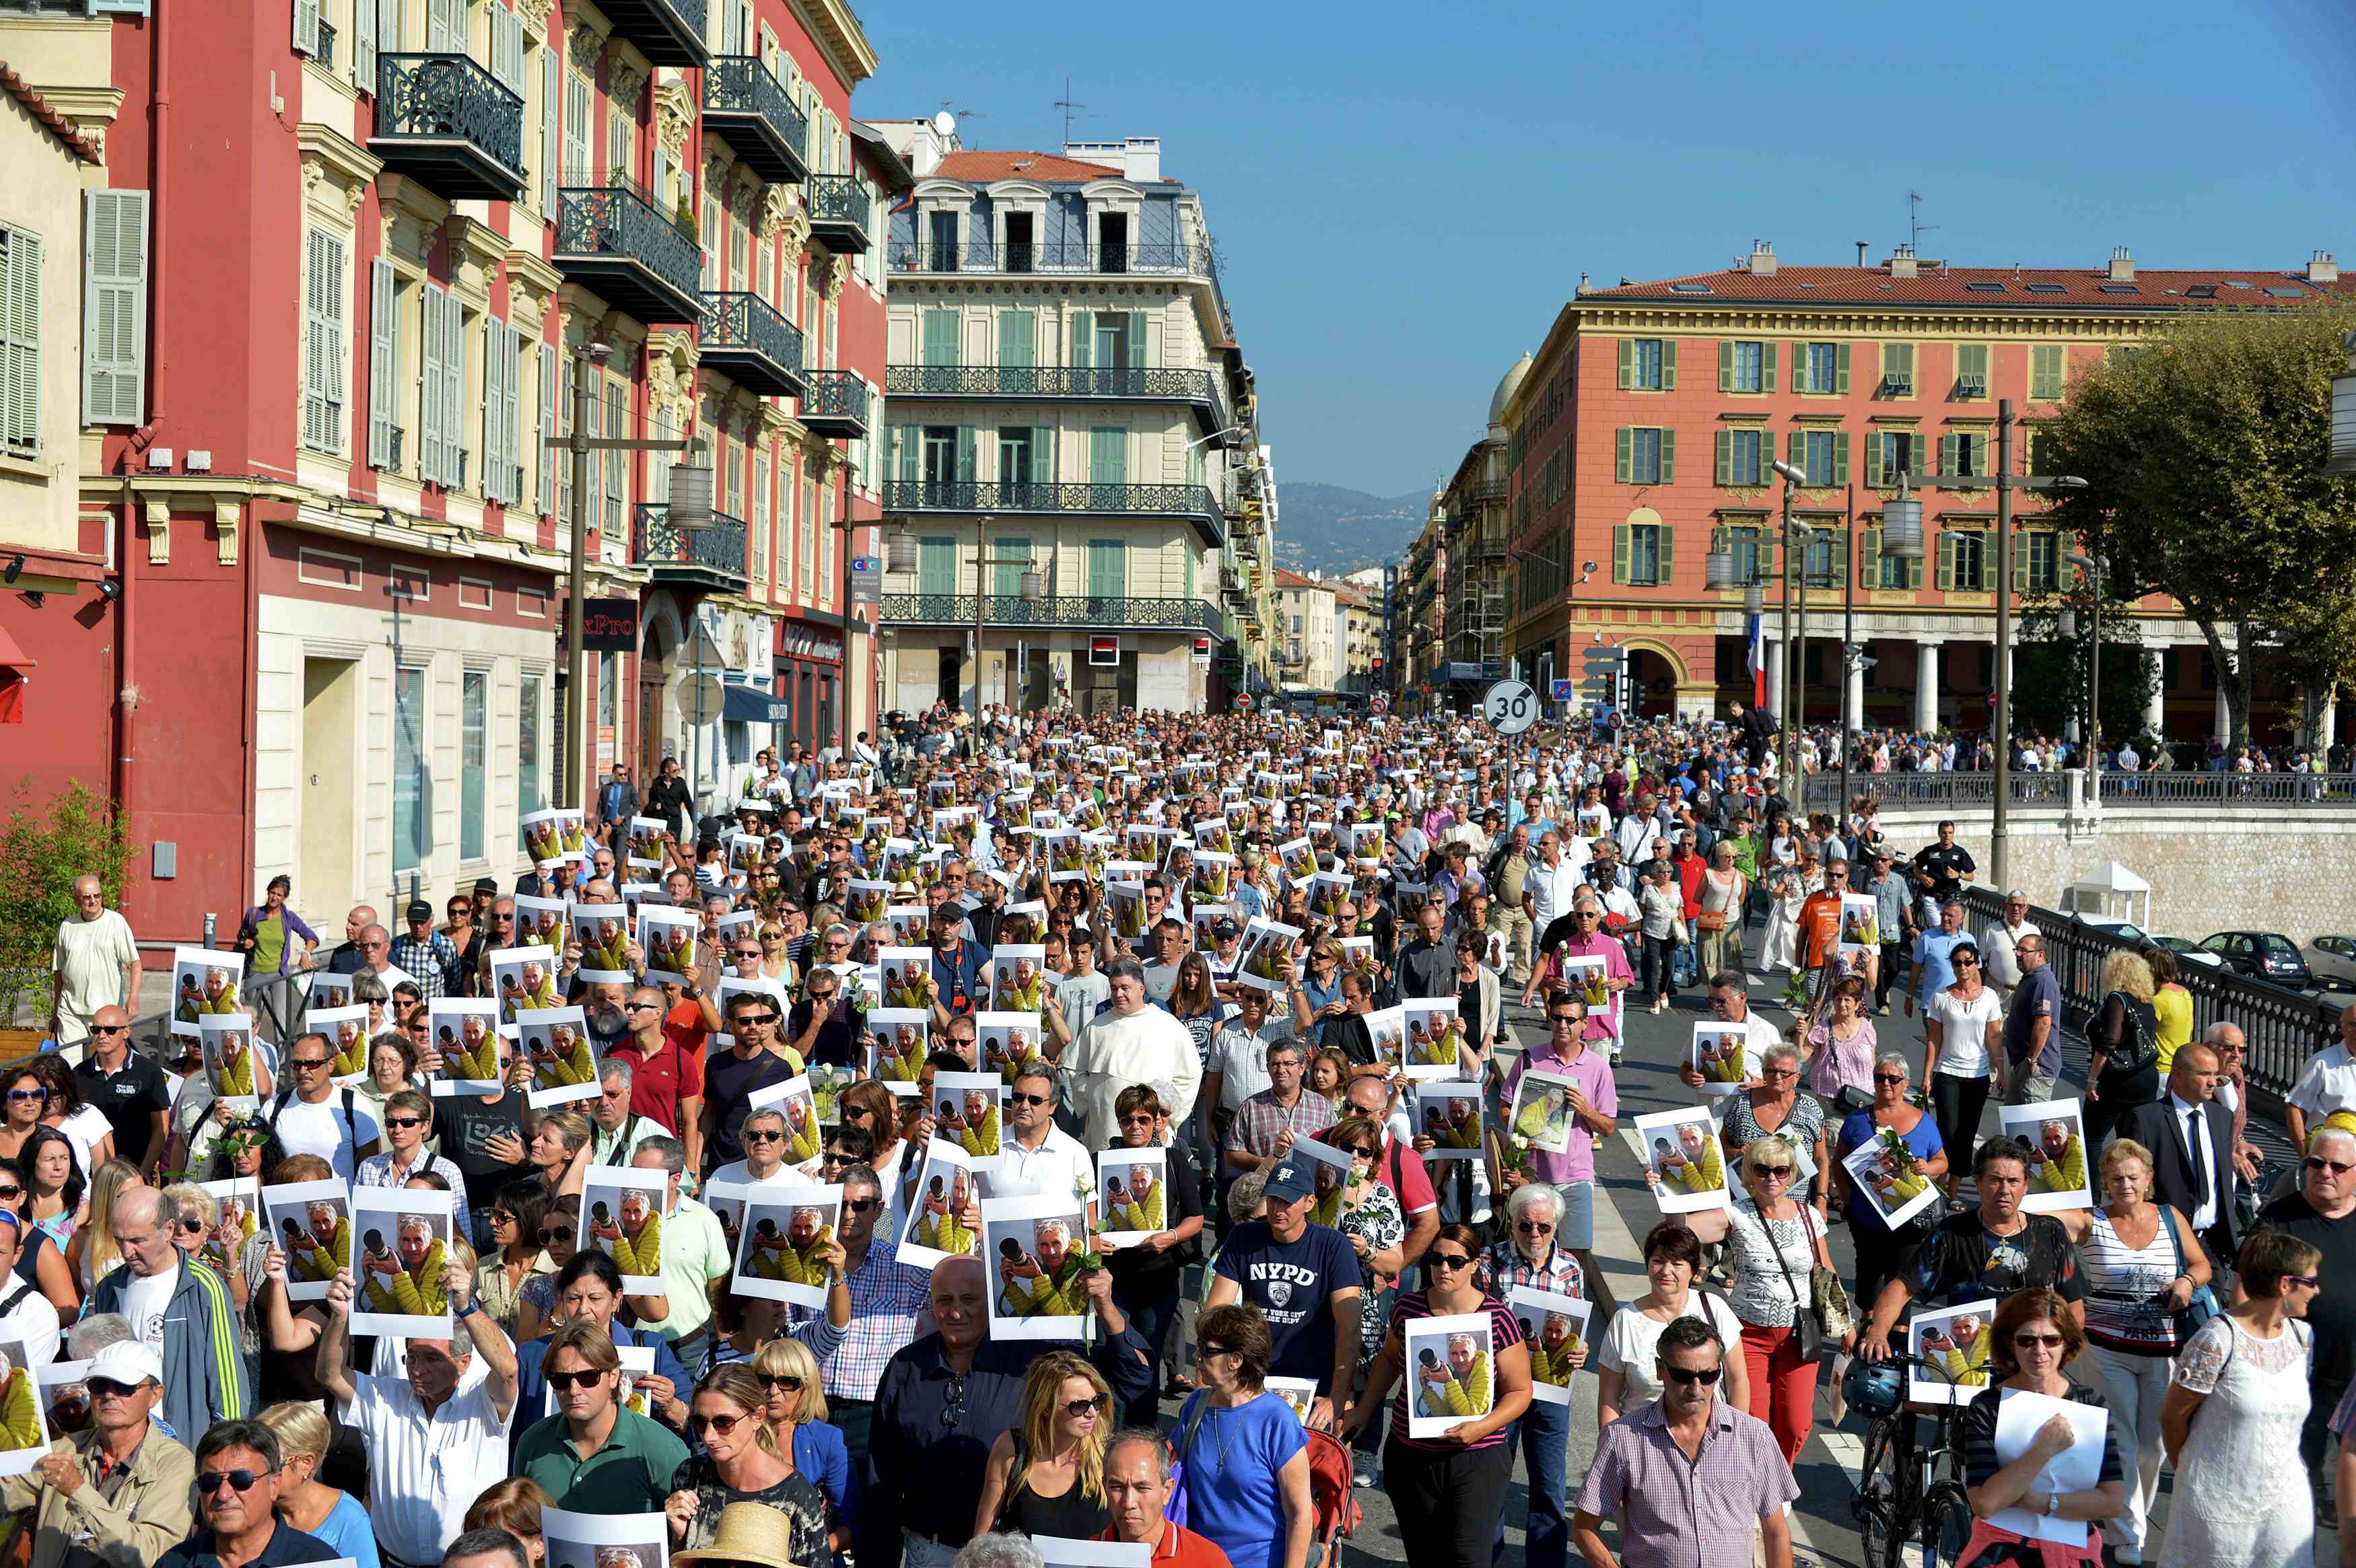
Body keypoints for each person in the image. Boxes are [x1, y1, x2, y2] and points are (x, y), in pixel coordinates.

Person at [865, 1253, 1151, 1568]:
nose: (956, 1311)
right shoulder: (905, 1368)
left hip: (1009, 1559)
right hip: (926, 1552)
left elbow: (1133, 1378)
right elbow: (882, 1476)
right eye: (944, 1300)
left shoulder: (1031, 1357)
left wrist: (1107, 1309)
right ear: (930, 1303)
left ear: (991, 1300)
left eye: (970, 1299)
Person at [2047, 1137, 2209, 1565]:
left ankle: (2130, 1521)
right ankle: (2127, 1536)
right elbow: (2038, 1218)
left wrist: (2188, 1283)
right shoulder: (2091, 1222)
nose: (2125, 1184)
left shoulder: (2170, 1218)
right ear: (2104, 1182)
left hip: (2164, 1351)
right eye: (2116, 1177)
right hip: (2107, 1350)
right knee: (2122, 1441)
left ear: (2149, 1180)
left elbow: (2202, 1265)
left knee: (2153, 1448)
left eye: (2133, 1177)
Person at [315, 1242, 518, 1568]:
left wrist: (466, 1307)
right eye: (412, 1356)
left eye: (433, 1359)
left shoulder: (482, 1404)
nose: (417, 1369)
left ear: (464, 1363)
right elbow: (329, 1374)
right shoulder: (385, 1398)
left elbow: (507, 1371)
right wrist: (339, 1317)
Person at [1340, 1223, 1531, 1568]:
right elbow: (1389, 1361)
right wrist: (1364, 1410)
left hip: (1477, 1458)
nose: (1445, 1268)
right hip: (1411, 1455)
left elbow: (1520, 1391)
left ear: (1475, 1265)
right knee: (1424, 1558)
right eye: (1437, 1258)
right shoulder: (1407, 1307)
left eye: (1456, 1262)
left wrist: (1481, 1427)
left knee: (1468, 1560)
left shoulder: (1498, 1318)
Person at [1572, 1315, 1799, 1568]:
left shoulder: (1754, 1436)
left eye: (1708, 1376)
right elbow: (1584, 1527)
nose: (1696, 1388)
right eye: (1682, 1375)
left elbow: (1776, 1531)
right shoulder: (1623, 1438)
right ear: (1660, 1370)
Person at [2157, 1227, 2323, 1568]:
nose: (2317, 1290)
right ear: (2285, 1285)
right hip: (2219, 1507)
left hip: (2285, 1505)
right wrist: (2195, 1477)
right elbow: (2173, 1417)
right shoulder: (2217, 1340)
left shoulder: (2301, 1337)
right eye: (2310, 1282)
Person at [1858, 1137, 2086, 1361]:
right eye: (1995, 1180)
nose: (2005, 1190)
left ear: (2026, 1186)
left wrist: (2056, 1357)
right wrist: (1878, 1332)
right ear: (1978, 1183)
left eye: (2014, 1181)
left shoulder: (2050, 1232)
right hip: (1970, 1365)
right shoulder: (1951, 1233)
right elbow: (1902, 1287)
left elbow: (2074, 1308)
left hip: (2031, 1363)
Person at [1958, 1287, 2128, 1566]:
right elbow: (1985, 1503)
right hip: (2003, 1550)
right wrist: (2045, 1448)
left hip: (2072, 1552)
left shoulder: (2091, 1404)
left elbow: (2112, 1501)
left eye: (2051, 1340)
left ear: (2066, 1343)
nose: (2039, 1351)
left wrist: (2037, 1502)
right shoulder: (1987, 1405)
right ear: (2010, 1344)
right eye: (2027, 1340)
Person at [0, 1339, 191, 1568]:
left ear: (155, 1395)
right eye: (99, 1385)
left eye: (125, 1387)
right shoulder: (66, 1447)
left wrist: (78, 1491)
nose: (109, 1395)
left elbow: (150, 1555)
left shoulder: (175, 1463)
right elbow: (8, 1490)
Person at [86, 1186, 248, 1444]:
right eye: (119, 1240)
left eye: (138, 1241)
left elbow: (226, 1377)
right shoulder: (110, 1287)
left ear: (169, 1230)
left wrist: (225, 1446)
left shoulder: (203, 1286)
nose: (127, 1252)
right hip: (124, 1444)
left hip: (183, 1445)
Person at [1717, 1137, 1844, 1466]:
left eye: (1780, 1170)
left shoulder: (1809, 1216)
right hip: (1748, 1335)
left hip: (1800, 1334)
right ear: (1750, 1173)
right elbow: (1686, 1232)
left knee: (1796, 1423)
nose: (1771, 1177)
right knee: (1752, 1422)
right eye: (1762, 1169)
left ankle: (1778, 1479)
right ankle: (1756, 1489)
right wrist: (1668, 1195)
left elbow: (1826, 1270)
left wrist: (1847, 1326)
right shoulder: (1734, 1213)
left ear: (1791, 1175)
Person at [2254, 1122, 2356, 1513]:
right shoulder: (2279, 1219)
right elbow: (2249, 1289)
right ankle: (2301, 1504)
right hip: (2297, 1361)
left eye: (2337, 1167)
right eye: (2316, 1163)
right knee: (2301, 1443)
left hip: (2352, 1361)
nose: (2325, 1172)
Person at [1168, 1305, 1317, 1568]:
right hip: (1199, 1557)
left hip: (1261, 1561)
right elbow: (1167, 1469)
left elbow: (1300, 1514)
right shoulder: (1196, 1406)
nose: (1197, 1355)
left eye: (1207, 1349)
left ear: (1235, 1360)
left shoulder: (1277, 1420)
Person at [1498, 993, 1618, 1314]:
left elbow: (1607, 1127)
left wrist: (1586, 1110)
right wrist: (1523, 1129)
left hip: (1576, 1176)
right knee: (1528, 1247)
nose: (1562, 1025)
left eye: (1570, 1019)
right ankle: (1527, 1314)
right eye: (1557, 1018)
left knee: (1576, 1253)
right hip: (1533, 1174)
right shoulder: (1530, 1059)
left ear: (1584, 1025)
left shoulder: (1598, 1068)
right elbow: (1506, 1107)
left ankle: (1567, 1319)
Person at [1099, 1086, 1203, 1426]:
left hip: (1159, 1276)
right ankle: (1110, 1433)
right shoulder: (1100, 1161)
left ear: (1156, 1121)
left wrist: (1169, 1237)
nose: (1135, 1127)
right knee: (1114, 1354)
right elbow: (1086, 1214)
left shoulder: (1173, 1160)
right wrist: (1094, 1238)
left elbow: (1196, 1217)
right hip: (1115, 1277)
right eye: (1127, 1120)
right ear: (1118, 1122)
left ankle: (1143, 1434)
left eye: (1143, 1119)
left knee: (1147, 1358)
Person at [514, 1317, 693, 1512]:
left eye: (588, 1378)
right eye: (561, 1380)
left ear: (614, 1377)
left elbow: (683, 1532)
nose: (574, 1390)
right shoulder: (532, 1444)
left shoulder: (662, 1449)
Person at [662, 1366, 830, 1567]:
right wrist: (678, 1540)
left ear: (758, 1417)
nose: (709, 1436)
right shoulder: (688, 1476)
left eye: (723, 1422)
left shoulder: (795, 1497)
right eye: (699, 1422)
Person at [1593, 1221, 1749, 1426]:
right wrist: (1610, 1445)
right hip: (1641, 1441)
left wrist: (1737, 1434)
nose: (1666, 1271)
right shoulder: (1625, 1320)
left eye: (1677, 1264)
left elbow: (1738, 1379)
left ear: (1694, 1270)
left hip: (1710, 1437)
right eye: (1658, 1261)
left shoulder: (1714, 1308)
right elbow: (1608, 1399)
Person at [1834, 1053, 1949, 1312]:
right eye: (1880, 1078)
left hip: (1910, 1223)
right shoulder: (1857, 1120)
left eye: (1893, 1079)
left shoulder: (1922, 1121)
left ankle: (1897, 1341)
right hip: (1867, 1221)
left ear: (1906, 1083)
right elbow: (1838, 1163)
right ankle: (1867, 1339)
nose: (1886, 1083)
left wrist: (1927, 1168)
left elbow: (1942, 1162)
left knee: (1901, 1285)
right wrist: (1848, 1201)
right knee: (1869, 1287)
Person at [2119, 1043, 2238, 1277]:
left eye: (2215, 1074)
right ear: (2178, 1075)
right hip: (2164, 1244)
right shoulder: (2146, 1119)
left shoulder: (2222, 1117)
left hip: (2212, 1246)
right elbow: (2131, 1186)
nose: (2213, 1082)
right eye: (2204, 1074)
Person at [972, 1352, 1114, 1540]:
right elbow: (983, 1539)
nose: (1092, 1413)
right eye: (1079, 1406)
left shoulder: (1111, 1454)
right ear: (1046, 1407)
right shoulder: (1012, 1449)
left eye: (1097, 1401)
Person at [153, 1421, 335, 1568]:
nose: (223, 1494)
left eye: (241, 1480)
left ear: (274, 1484)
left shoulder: (319, 1562)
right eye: (211, 1482)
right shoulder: (174, 1562)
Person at [1062, 959, 1202, 1148]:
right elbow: (1076, 1070)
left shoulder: (1168, 1026)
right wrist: (1094, 1097)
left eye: (1125, 988)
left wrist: (1167, 1115)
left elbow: (1189, 1076)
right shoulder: (1096, 1026)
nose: (1118, 994)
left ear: (1141, 989)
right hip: (1105, 1125)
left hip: (1150, 1126)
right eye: (1114, 988)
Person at [1923, 939, 2003, 1202]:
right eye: (1958, 963)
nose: (1963, 967)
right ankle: (1939, 1181)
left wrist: (1999, 1070)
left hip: (1978, 1075)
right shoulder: (1941, 998)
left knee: (1966, 1135)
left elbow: (1993, 1037)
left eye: (1968, 962)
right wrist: (1927, 1075)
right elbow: (1934, 1039)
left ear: (1976, 963)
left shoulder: (1990, 997)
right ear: (1952, 967)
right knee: (1947, 1129)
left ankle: (1953, 1191)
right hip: (1948, 1072)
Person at [254, 1402, 380, 1568]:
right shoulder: (252, 1505)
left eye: (270, 1463)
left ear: (306, 1463)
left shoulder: (349, 1519)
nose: (256, 1473)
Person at [1711, 1044, 1830, 1217]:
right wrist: (1737, 1153)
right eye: (1771, 1071)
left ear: (1797, 1077)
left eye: (1784, 1073)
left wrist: (1821, 1198)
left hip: (1796, 1206)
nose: (1777, 1077)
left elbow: (1821, 1158)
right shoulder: (1742, 1104)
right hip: (1747, 1206)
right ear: (1763, 1072)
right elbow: (1721, 1144)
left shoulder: (1810, 1108)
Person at [1096, 1428, 1237, 1568]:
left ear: (1167, 1491)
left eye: (1142, 1488)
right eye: (1117, 1487)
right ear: (1105, 1487)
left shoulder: (1207, 1560)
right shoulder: (1084, 1557)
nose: (1128, 1502)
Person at [73, 1005, 171, 1175]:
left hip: (135, 1171)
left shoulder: (149, 1071)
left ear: (126, 1032)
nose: (102, 1036)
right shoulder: (79, 1074)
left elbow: (161, 1128)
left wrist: (143, 1173)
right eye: (96, 1030)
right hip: (91, 1178)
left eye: (110, 1030)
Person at [2085, 948, 2161, 1155]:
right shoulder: (2147, 1003)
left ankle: (2094, 1188)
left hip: (2118, 1080)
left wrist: (2093, 1078)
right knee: (2132, 1143)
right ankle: (2133, 1184)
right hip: (2146, 1078)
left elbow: (2109, 1040)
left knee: (2091, 1138)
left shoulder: (2117, 999)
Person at [1223, 1039, 1335, 1180]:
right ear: (1268, 1068)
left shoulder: (1322, 1107)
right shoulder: (1250, 1107)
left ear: (1302, 1067)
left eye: (1288, 1064)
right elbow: (1232, 1154)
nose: (1281, 1070)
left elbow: (1334, 1153)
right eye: (1275, 1064)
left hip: (1307, 1195)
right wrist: (1269, 1164)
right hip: (1263, 1191)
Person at [51, 876, 139, 1049]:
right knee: (71, 1065)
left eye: (97, 896)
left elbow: (135, 964)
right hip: (71, 1011)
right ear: (76, 899)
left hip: (106, 1012)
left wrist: (133, 998)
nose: (93, 901)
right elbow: (59, 973)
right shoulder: (67, 926)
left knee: (104, 1064)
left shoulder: (116, 922)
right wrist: (55, 1013)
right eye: (87, 897)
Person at [2003, 931, 2062, 1106]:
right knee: (2013, 1122)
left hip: (2036, 1068)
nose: (2018, 955)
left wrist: (2033, 1059)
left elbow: (2044, 1023)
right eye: (2017, 950)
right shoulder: (2031, 978)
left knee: (2033, 1124)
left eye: (2023, 951)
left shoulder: (2042, 981)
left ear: (2040, 955)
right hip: (2023, 1064)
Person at [1801, 976, 1875, 1105]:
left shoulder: (1867, 1028)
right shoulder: (1822, 1029)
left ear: (1857, 1004)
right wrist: (1799, 1035)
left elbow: (1873, 1064)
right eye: (1838, 999)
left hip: (1862, 1101)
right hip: (1830, 1101)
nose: (1842, 1004)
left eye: (1847, 1000)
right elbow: (1802, 1057)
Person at [2147, 944, 2194, 1079]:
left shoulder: (2158, 1000)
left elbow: (2145, 1032)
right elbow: (2190, 1026)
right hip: (2181, 1065)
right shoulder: (2185, 993)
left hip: (2161, 1067)